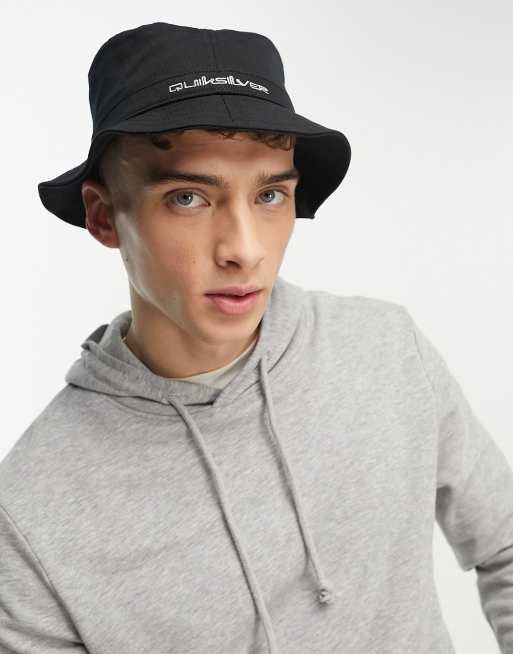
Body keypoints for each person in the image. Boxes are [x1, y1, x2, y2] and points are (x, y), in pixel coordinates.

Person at [1, 21, 512, 654]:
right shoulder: (32, 512)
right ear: (104, 216)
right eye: (188, 198)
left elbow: (505, 543)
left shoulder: (385, 349)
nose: (245, 249)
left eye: (270, 194)